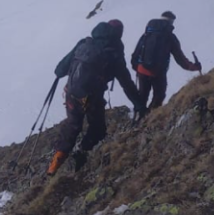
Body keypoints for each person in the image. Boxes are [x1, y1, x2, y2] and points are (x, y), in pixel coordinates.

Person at [47, 19, 143, 175]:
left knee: (73, 126)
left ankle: (55, 164)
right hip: (92, 98)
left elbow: (59, 70)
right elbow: (126, 83)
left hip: (71, 94)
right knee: (98, 129)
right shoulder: (114, 54)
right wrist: (139, 104)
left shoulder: (84, 43)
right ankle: (82, 152)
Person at [130, 11, 201, 112]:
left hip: (142, 70)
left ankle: (138, 117)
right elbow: (180, 59)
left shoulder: (148, 33)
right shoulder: (170, 37)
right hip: (158, 73)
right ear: (171, 22)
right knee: (159, 96)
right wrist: (194, 67)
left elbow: (137, 51)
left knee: (142, 97)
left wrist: (137, 67)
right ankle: (150, 116)